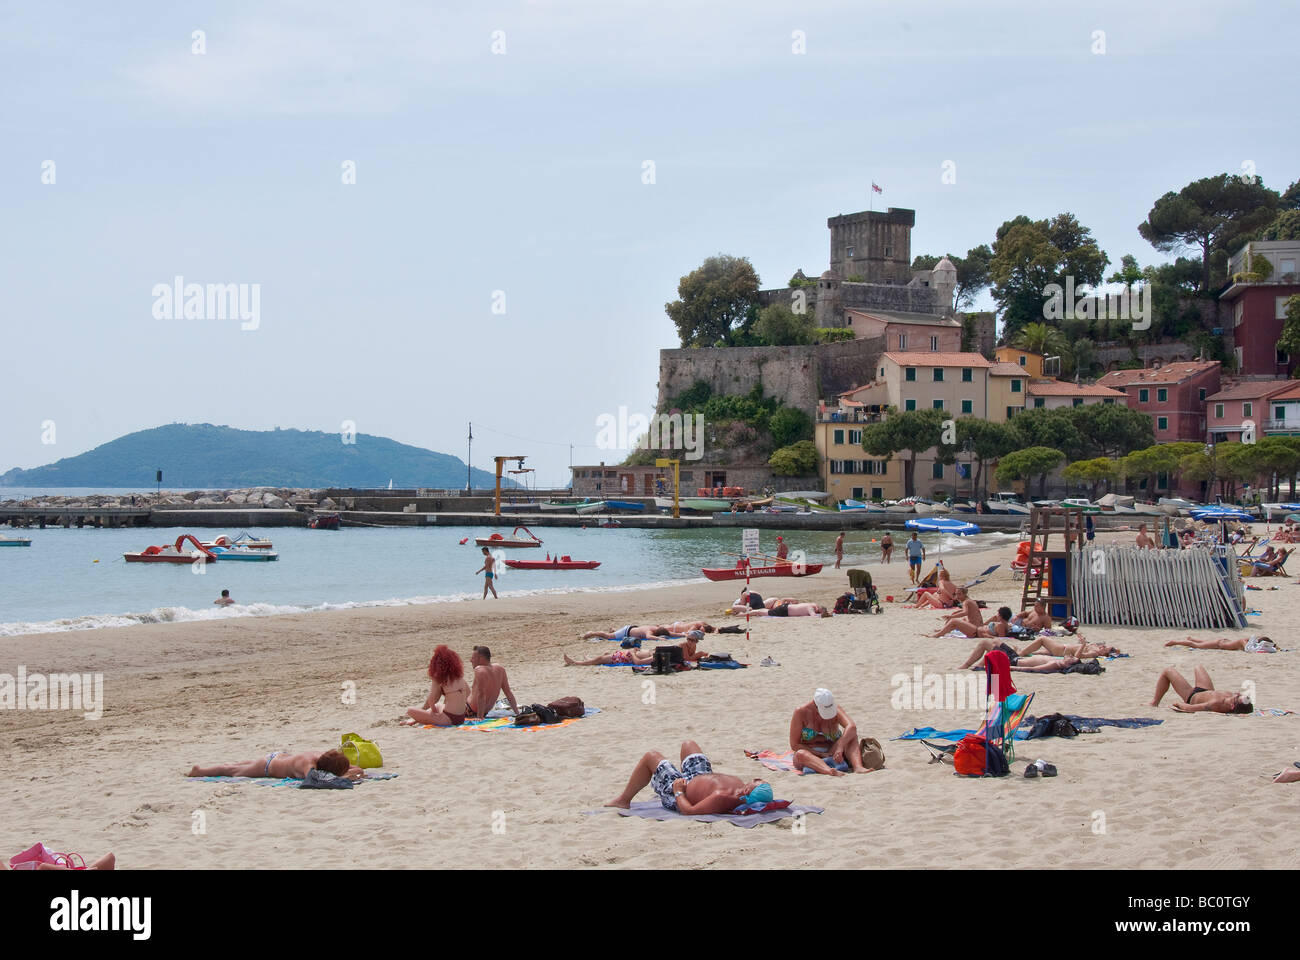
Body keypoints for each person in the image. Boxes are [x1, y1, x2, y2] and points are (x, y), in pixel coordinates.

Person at [605, 740, 770, 814]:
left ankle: (623, 800)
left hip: (681, 790)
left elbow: (689, 811)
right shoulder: (739, 786)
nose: (755, 778)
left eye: (757, 781)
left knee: (651, 756)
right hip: (700, 776)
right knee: (688, 744)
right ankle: (673, 777)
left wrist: (678, 792)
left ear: (748, 790)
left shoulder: (723, 797)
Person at [789, 688, 870, 776]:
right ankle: (829, 771)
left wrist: (840, 747)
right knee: (800, 754)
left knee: (851, 735)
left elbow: (852, 726)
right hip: (811, 753)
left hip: (833, 751)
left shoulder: (835, 709)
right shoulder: (801, 712)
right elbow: (794, 744)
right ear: (815, 705)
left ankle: (858, 767)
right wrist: (820, 754)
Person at [401, 645, 471, 726]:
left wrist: (434, 714)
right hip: (461, 718)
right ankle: (416, 720)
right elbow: (468, 695)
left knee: (410, 710)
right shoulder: (459, 677)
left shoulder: (438, 678)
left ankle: (413, 720)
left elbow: (431, 701)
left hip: (447, 720)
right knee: (438, 706)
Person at [188, 748, 363, 780]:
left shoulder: (323, 757)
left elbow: (350, 769)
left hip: (279, 757)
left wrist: (356, 770)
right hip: (268, 766)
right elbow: (313, 779)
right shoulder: (307, 764)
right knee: (233, 771)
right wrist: (345, 778)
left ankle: (203, 769)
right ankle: (200, 771)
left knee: (238, 765)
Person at [1149, 666, 1253, 713]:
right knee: (1198, 667)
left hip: (1191, 696)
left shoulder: (1216, 704)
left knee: (1168, 671)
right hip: (1206, 690)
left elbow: (1191, 708)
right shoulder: (1229, 699)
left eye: (1238, 696)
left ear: (1232, 705)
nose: (1238, 693)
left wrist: (1178, 704)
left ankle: (1154, 702)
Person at [565, 632, 707, 666]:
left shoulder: (659, 656)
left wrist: (633, 652)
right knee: (603, 657)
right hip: (632, 654)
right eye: (689, 639)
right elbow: (687, 659)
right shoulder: (681, 647)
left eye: (692, 640)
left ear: (697, 642)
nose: (689, 641)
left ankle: (577, 663)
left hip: (629, 656)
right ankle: (588, 660)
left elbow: (638, 663)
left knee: (602, 659)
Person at [467, 645, 519, 717]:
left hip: (469, 711)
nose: (470, 660)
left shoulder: (479, 670)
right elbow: (508, 692)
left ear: (481, 658)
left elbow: (481, 695)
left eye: (473, 658)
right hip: (485, 712)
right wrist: (516, 712)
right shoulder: (500, 669)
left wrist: (480, 717)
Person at [939, 605, 1012, 640]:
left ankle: (937, 635)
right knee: (963, 620)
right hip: (977, 629)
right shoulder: (1002, 623)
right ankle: (941, 631)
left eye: (998, 613)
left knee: (954, 621)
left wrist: (988, 636)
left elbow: (1002, 639)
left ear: (1001, 615)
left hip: (975, 632)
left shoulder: (1001, 625)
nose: (997, 615)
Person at [1164, 635, 1277, 652]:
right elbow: (1249, 650)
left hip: (1224, 642)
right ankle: (1175, 641)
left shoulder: (1247, 639)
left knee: (1203, 642)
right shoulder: (1244, 642)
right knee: (1196, 646)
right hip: (1219, 644)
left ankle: (1192, 638)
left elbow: (1270, 642)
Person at [580, 624, 671, 642]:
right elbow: (649, 636)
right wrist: (659, 638)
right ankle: (591, 633)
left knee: (613, 634)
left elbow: (669, 632)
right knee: (608, 636)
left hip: (631, 628)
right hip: (626, 632)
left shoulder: (656, 627)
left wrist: (683, 634)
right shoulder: (650, 631)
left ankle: (614, 630)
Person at [742, 601, 830, 618]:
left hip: (786, 607)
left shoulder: (810, 605)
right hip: (784, 611)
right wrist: (824, 615)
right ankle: (742, 614)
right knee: (762, 612)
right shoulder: (810, 608)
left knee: (764, 611)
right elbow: (813, 616)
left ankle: (745, 613)